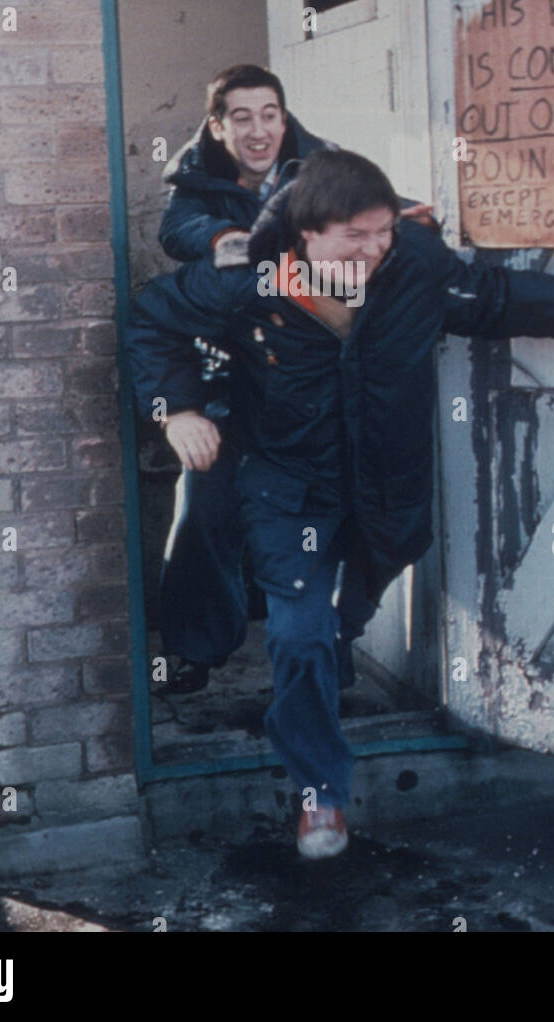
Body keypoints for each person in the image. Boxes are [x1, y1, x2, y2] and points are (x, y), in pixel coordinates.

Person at [127, 148, 554, 859]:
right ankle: (321, 793)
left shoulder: (413, 263)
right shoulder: (247, 280)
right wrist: (177, 409)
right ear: (307, 234)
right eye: (355, 237)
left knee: (361, 593)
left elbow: (482, 296)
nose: (374, 250)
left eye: (382, 232)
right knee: (297, 632)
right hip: (288, 485)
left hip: (387, 481)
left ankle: (334, 645)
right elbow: (152, 317)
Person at [154, 64, 434, 694]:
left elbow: (370, 215)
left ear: (285, 117)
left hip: (309, 385)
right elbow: (180, 232)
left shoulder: (323, 165)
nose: (259, 131)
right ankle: (197, 649)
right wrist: (236, 240)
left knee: (358, 516)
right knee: (203, 507)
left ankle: (331, 643)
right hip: (231, 377)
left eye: (270, 115)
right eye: (242, 118)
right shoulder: (194, 183)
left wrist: (408, 221)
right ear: (217, 126)